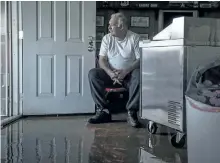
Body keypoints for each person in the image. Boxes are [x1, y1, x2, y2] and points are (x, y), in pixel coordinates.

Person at [88, 12, 140, 127]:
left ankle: (132, 112)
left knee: (139, 74)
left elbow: (140, 60)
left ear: (121, 26)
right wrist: (111, 73)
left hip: (128, 75)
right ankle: (103, 111)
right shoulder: (107, 38)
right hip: (111, 74)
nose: (109, 27)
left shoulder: (134, 38)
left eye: (111, 25)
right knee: (93, 74)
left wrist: (125, 71)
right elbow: (102, 60)